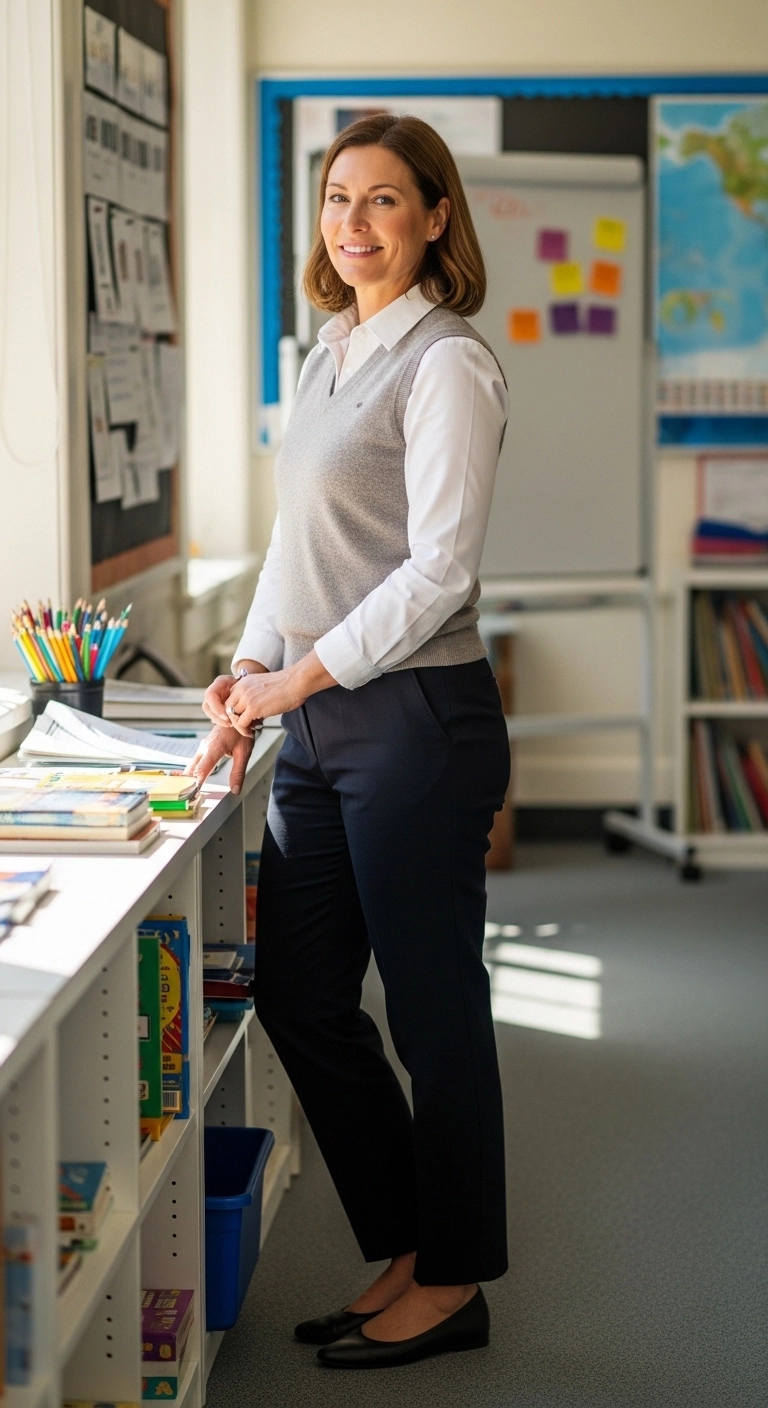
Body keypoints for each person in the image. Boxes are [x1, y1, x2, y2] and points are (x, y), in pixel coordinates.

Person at [190, 112, 510, 1371]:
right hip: (316, 717)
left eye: (386, 200)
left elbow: (439, 569)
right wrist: (250, 670)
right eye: (338, 199)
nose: (355, 222)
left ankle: (458, 1280)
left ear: (436, 217)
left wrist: (304, 676)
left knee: (434, 1011)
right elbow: (298, 550)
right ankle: (407, 1253)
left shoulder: (448, 365)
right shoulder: (327, 355)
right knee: (300, 994)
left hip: (416, 721)